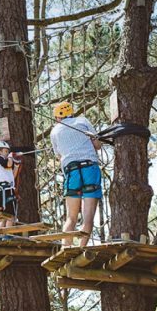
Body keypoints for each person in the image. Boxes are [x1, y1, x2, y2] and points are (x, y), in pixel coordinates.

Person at [50, 101, 102, 247]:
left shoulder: (54, 131)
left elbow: (59, 155)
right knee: (88, 218)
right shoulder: (83, 121)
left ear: (57, 117)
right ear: (71, 112)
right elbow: (97, 145)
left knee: (71, 218)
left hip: (72, 172)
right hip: (90, 169)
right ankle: (82, 248)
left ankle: (65, 249)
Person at [0, 141, 20, 230]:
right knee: (11, 215)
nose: (7, 153)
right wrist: (11, 156)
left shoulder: (2, 162)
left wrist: (16, 165)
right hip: (6, 190)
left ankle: (0, 235)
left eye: (8, 151)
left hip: (4, 190)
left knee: (4, 216)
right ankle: (7, 234)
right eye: (6, 151)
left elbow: (12, 176)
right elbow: (8, 163)